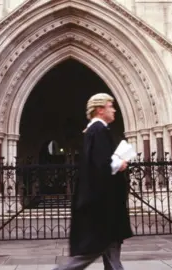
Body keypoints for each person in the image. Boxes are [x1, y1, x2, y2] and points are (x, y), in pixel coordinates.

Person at [53, 93, 133, 270]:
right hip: (103, 210)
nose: (114, 109)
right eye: (110, 106)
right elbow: (100, 165)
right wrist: (120, 164)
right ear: (100, 109)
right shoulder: (98, 130)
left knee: (112, 255)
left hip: (105, 209)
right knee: (86, 256)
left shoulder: (96, 130)